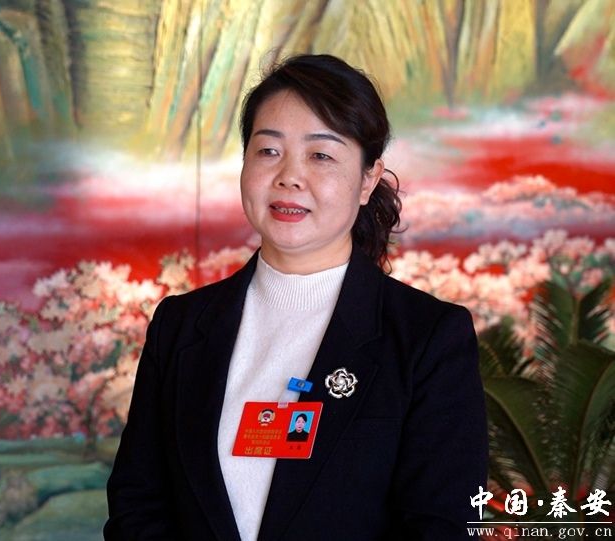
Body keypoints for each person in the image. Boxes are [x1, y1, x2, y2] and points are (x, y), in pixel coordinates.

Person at [104, 54, 488, 541]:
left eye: (320, 155)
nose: (289, 176)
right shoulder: (180, 325)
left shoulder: (427, 337)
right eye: (269, 151)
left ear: (368, 178)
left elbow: (443, 525)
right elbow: (137, 505)